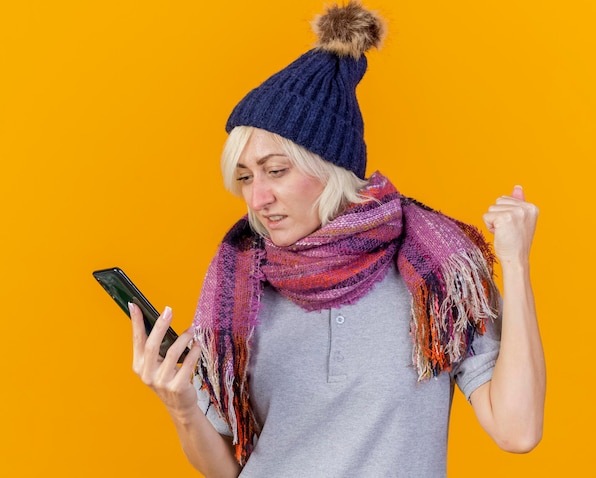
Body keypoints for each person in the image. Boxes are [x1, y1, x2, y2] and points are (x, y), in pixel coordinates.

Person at [128, 2, 545, 477]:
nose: (257, 197)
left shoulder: (437, 272)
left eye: (276, 171)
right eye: (244, 178)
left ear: (332, 170)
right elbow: (225, 470)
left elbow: (518, 429)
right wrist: (182, 405)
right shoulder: (239, 284)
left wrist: (514, 263)